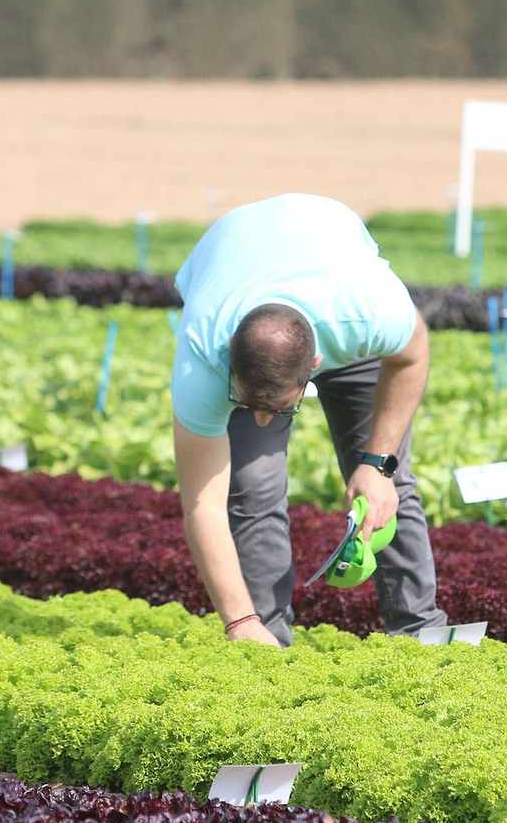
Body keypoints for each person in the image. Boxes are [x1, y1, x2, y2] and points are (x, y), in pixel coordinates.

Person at [170, 192, 448, 648]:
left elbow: (413, 356)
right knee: (250, 487)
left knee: (388, 486)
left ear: (316, 368)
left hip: (331, 269)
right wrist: (238, 622)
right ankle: (266, 642)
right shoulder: (202, 359)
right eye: (247, 405)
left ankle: (421, 634)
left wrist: (378, 464)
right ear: (230, 367)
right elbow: (204, 503)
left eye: (279, 409)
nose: (262, 423)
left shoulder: (369, 311)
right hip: (230, 252)